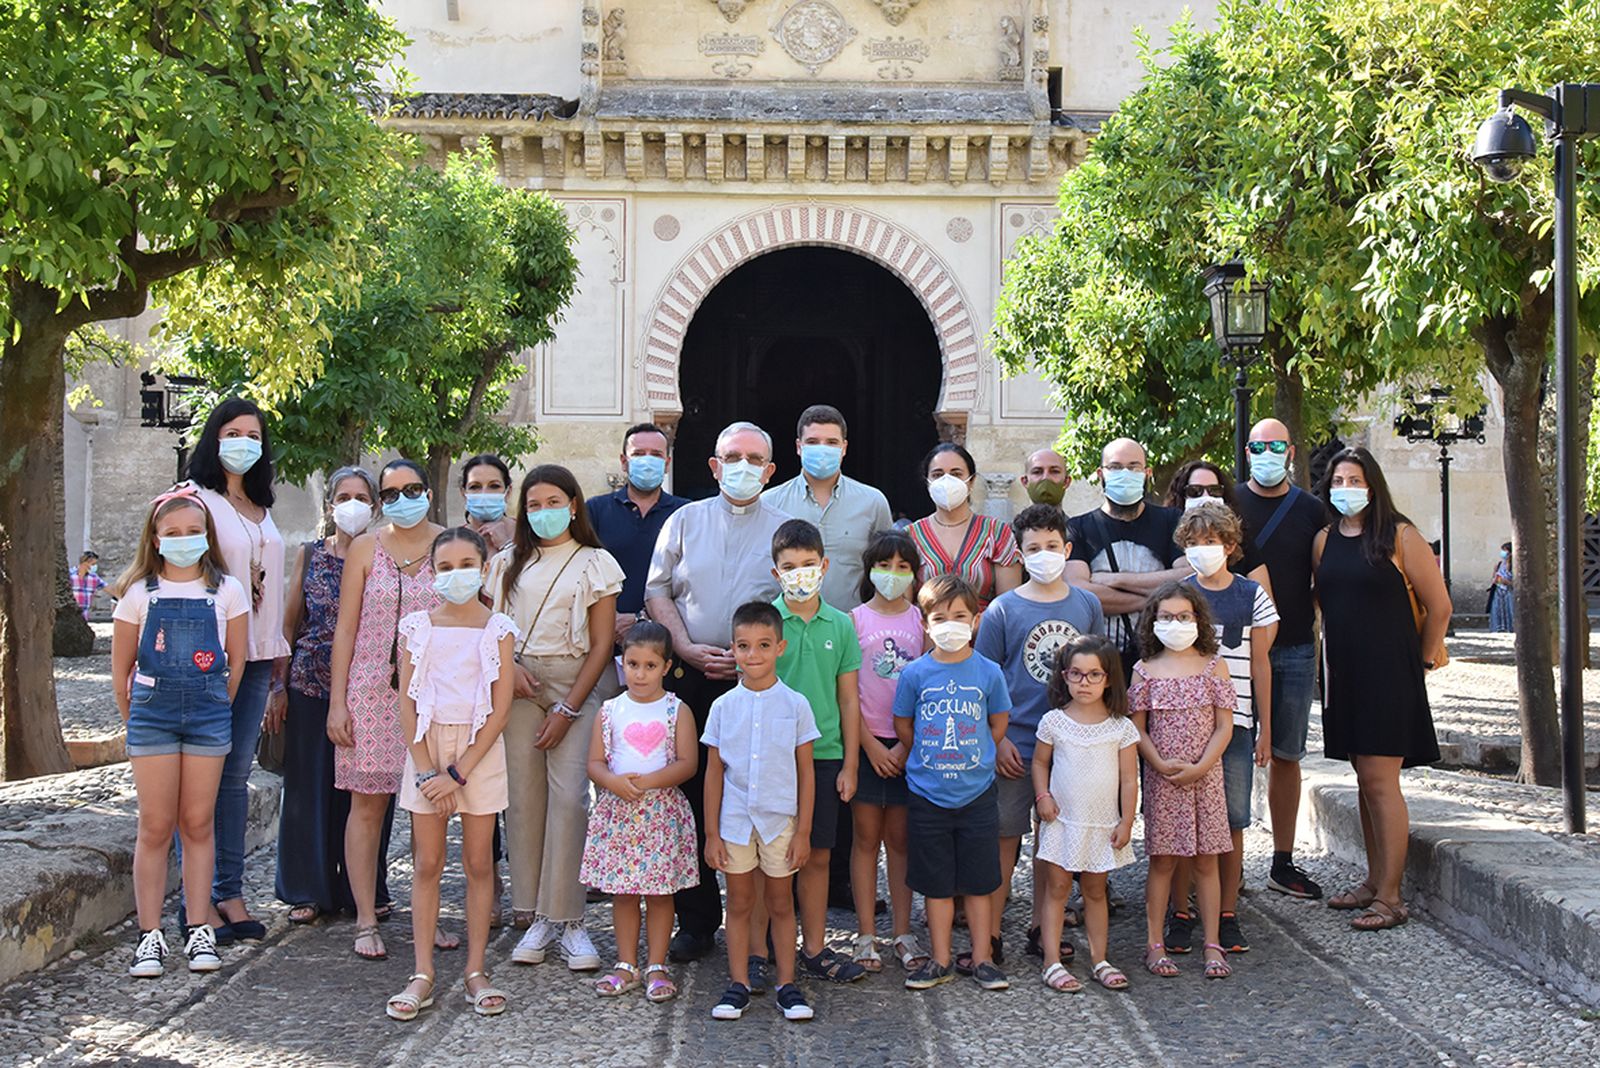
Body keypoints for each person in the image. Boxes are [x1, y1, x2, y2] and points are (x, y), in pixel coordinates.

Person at [645, 421, 788, 961]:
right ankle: (698, 921)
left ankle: (772, 928)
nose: (743, 467)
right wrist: (682, 644)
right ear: (713, 464)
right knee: (691, 798)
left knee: (762, 795)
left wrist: (758, 660)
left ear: (771, 471)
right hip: (691, 679)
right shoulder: (684, 520)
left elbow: (797, 598)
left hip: (760, 685)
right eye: (733, 456)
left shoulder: (785, 527)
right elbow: (657, 590)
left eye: (755, 459)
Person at [489, 464, 623, 969]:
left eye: (553, 502)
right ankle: (536, 916)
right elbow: (494, 626)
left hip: (578, 688)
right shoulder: (505, 564)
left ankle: (570, 920)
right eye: (534, 504)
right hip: (519, 685)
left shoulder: (596, 562)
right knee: (524, 800)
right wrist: (511, 670)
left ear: (573, 504)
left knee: (570, 801)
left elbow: (602, 642)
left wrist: (569, 708)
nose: (543, 512)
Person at [111, 486, 248, 977]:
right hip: (153, 717)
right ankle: (150, 936)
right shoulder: (138, 594)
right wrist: (138, 719)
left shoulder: (227, 591)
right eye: (174, 533)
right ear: (156, 538)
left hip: (208, 716)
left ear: (207, 537)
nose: (185, 540)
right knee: (154, 824)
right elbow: (121, 669)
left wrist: (214, 706)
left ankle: (198, 929)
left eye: (194, 532)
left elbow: (236, 663)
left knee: (198, 823)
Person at [1313, 447, 1448, 932]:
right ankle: (1374, 881)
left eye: (1356, 479)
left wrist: (1424, 660)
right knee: (1363, 779)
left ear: (1373, 485)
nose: (1346, 487)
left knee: (1381, 780)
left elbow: (1440, 606)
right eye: (1339, 479)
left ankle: (1392, 897)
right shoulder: (1325, 540)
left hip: (1389, 672)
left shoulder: (1401, 536)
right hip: (1344, 673)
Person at [386, 527, 517, 1021]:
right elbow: (408, 700)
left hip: (477, 755)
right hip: (426, 749)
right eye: (445, 566)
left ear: (484, 568)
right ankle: (422, 972)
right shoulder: (417, 627)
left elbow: (500, 709)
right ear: (432, 572)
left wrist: (458, 773)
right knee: (426, 863)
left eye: (466, 564)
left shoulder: (498, 628)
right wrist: (425, 772)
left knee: (480, 864)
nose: (455, 574)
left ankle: (476, 970)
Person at [972, 504, 1104, 971]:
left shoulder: (1086, 605)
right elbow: (985, 680)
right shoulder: (1003, 611)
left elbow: (1098, 672)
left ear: (1067, 550)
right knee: (1004, 839)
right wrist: (997, 738)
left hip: (1069, 747)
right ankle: (989, 933)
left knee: (1055, 844)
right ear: (1020, 553)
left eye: (1052, 547)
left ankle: (1040, 927)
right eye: (1033, 548)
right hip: (1017, 744)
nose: (1044, 554)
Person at [326, 458, 446, 961]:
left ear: (429, 492)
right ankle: (366, 918)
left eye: (412, 488)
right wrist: (338, 701)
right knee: (367, 805)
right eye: (391, 492)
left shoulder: (451, 542)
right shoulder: (364, 548)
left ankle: (428, 914)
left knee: (431, 809)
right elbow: (347, 628)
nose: (402, 499)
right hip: (371, 690)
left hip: (436, 693)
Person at [271, 467, 396, 925]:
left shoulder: (384, 555)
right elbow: (290, 623)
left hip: (369, 691)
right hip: (311, 685)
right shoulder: (310, 554)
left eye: (362, 496)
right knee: (308, 791)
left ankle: (364, 888)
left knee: (367, 793)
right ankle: (307, 887)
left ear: (375, 506)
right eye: (344, 495)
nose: (353, 503)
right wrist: (276, 688)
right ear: (329, 505)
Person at [185, 397, 289, 943]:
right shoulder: (192, 500)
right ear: (214, 438)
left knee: (234, 777)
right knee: (199, 777)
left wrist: (276, 661)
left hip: (257, 656)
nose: (244, 441)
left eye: (254, 433)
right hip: (209, 658)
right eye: (233, 431)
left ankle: (227, 892)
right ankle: (196, 901)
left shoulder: (260, 505)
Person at [894, 574, 1012, 993]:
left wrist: (979, 751)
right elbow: (903, 724)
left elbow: (998, 721)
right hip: (928, 795)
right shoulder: (915, 674)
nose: (950, 624)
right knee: (936, 883)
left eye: (959, 616)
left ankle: (982, 958)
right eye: (939, 617)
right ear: (924, 624)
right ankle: (941, 958)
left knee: (980, 882)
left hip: (977, 793)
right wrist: (926, 756)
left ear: (975, 620)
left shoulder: (989, 672)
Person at [703, 601, 820, 1023]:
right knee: (738, 902)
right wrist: (712, 834)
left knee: (781, 903)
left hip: (780, 823)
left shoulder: (795, 704)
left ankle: (787, 984)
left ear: (780, 648)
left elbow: (807, 773)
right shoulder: (722, 708)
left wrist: (804, 831)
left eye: (763, 646)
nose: (753, 655)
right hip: (734, 823)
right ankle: (738, 983)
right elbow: (714, 773)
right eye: (744, 646)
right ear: (732, 649)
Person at [1169, 504, 1278, 956]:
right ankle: (1180, 911)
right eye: (1193, 543)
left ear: (1231, 547)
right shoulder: (1178, 594)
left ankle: (1227, 913)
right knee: (1179, 823)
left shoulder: (1251, 594)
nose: (1202, 550)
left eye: (1211, 541)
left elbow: (1260, 664)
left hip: (1234, 724)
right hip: (1182, 724)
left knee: (1231, 822)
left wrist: (1265, 728)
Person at [1233, 418, 1330, 901]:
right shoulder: (1229, 502)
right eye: (1258, 445)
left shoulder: (1312, 510)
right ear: (1247, 451)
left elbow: (1322, 575)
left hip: (1291, 647)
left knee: (1286, 755)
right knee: (1228, 753)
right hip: (1231, 650)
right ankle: (1226, 862)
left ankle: (1283, 861)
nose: (1267, 453)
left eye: (1276, 445)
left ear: (1291, 450)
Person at [580, 621, 700, 1003]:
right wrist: (613, 783)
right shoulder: (610, 710)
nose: (641, 673)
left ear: (666, 666)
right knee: (625, 893)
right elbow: (595, 762)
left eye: (650, 665)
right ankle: (626, 963)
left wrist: (647, 783)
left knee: (661, 894)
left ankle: (657, 964)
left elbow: (688, 764)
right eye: (633, 664)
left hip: (660, 816)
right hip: (620, 816)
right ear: (622, 664)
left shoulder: (676, 710)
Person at [766, 518, 865, 984]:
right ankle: (768, 947)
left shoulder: (841, 625)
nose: (800, 573)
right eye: (790, 566)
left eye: (808, 565)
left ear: (824, 566)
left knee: (819, 853)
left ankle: (815, 947)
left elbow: (848, 697)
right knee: (771, 853)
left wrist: (849, 763)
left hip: (825, 755)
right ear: (776, 573)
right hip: (772, 756)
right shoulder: (764, 622)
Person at [1131, 582, 1236, 981]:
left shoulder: (1214, 665)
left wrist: (1202, 765)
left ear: (1198, 620)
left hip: (1206, 778)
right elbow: (1137, 728)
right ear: (1153, 622)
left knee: (1207, 861)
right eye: (1167, 617)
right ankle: (1155, 943)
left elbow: (1225, 725)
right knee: (1163, 861)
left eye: (1184, 616)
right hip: (1163, 779)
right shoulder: (1144, 670)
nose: (1176, 623)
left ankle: (1212, 943)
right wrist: (1158, 762)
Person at [1032, 636, 1138, 993]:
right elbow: (1039, 762)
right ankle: (1052, 962)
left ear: (1109, 678)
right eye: (1076, 674)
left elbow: (1128, 778)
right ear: (1064, 677)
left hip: (1101, 823)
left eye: (1094, 675)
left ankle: (1100, 958)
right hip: (1062, 820)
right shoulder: (1054, 722)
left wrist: (1127, 820)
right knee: (1057, 888)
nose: (1084, 682)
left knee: (1096, 890)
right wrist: (1043, 796)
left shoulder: (1120, 727)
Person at [848, 531, 928, 973]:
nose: (892, 575)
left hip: (908, 746)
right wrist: (869, 745)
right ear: (869, 571)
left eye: (903, 567)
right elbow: (848, 692)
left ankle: (902, 930)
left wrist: (904, 744)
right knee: (864, 839)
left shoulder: (922, 622)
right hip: (866, 745)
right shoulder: (854, 620)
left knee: (900, 841)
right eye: (884, 566)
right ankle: (865, 933)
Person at [1066, 438, 1189, 680]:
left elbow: (1186, 578)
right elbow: (1081, 593)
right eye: (1115, 467)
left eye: (1134, 466)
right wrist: (1156, 599)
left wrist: (1114, 580)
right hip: (1100, 668)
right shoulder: (1078, 527)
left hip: (1161, 663)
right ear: (1101, 474)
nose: (1125, 473)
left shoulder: (1171, 520)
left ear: (1147, 473)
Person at [763, 404, 893, 611]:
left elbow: (888, 569)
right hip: (787, 630)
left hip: (852, 629)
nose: (822, 449)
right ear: (799, 447)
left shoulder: (873, 502)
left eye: (831, 442)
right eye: (813, 442)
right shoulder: (769, 502)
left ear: (844, 448)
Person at [587, 423, 689, 645]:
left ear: (667, 464)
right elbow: (580, 574)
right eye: (639, 454)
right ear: (624, 462)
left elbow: (692, 581)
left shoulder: (686, 514)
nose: (647, 460)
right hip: (605, 640)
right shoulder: (595, 510)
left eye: (656, 454)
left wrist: (639, 619)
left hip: (667, 643)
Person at [906, 443, 1022, 610]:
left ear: (971, 480)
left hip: (984, 632)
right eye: (938, 475)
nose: (947, 481)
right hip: (928, 632)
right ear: (928, 481)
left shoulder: (996, 533)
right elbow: (904, 607)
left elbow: (1008, 604)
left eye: (956, 474)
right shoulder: (910, 536)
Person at [459, 454, 517, 555]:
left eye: (494, 486)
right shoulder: (454, 540)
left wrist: (506, 545)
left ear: (508, 492)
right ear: (463, 493)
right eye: (475, 487)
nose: (484, 493)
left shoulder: (528, 533)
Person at [1488, 542, 1515, 632]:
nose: (1503, 553)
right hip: (1499, 591)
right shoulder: (1500, 564)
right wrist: (1495, 577)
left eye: (1505, 551)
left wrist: (1506, 582)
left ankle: (1510, 628)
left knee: (1510, 610)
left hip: (1509, 592)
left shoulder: (1514, 566)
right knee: (1497, 611)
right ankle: (1498, 628)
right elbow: (1494, 578)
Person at [72, 551, 108, 619]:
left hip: (84, 616)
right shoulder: (70, 575)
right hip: (70, 615)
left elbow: (107, 588)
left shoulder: (94, 578)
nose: (94, 567)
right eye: (93, 564)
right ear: (85, 563)